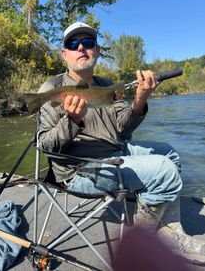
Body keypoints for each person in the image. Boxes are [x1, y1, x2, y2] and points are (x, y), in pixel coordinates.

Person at [38, 21, 205, 257]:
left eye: (88, 42)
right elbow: (45, 145)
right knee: (163, 170)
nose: (81, 48)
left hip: (116, 153)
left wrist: (140, 100)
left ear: (96, 50)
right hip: (80, 170)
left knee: (170, 153)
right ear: (64, 53)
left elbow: (123, 130)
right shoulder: (51, 88)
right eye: (73, 44)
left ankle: (168, 229)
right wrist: (72, 121)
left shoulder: (107, 85)